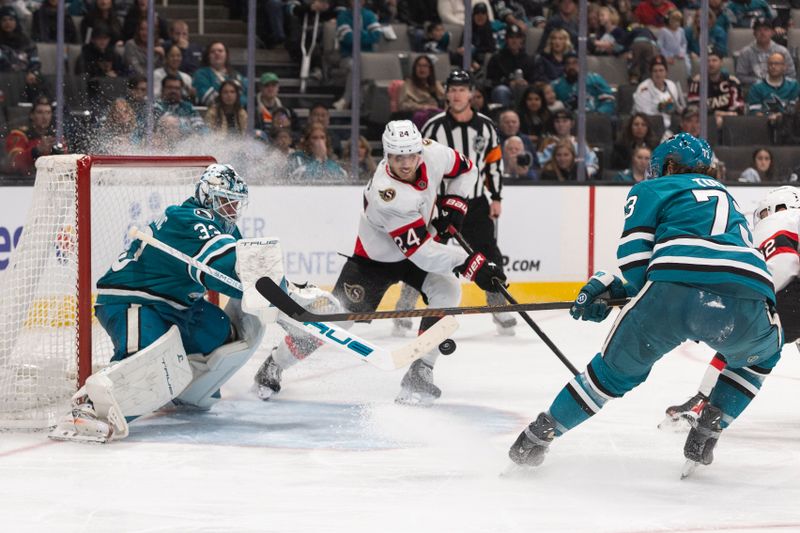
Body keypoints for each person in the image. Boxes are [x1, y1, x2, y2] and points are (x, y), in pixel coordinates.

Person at [508, 133, 782, 475]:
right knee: (761, 357)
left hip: (673, 289)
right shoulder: (728, 198)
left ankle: (538, 436)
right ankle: (711, 424)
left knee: (608, 376)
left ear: (667, 166)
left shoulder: (651, 189)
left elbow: (638, 269)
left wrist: (612, 291)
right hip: (749, 293)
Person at [254, 120, 504, 405]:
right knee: (334, 322)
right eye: (398, 157)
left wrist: (455, 205)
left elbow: (468, 169)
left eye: (411, 154)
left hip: (416, 249)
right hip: (375, 260)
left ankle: (421, 370)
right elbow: (422, 254)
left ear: (419, 149)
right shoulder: (388, 194)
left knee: (448, 292)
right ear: (387, 154)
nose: (407, 163)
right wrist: (472, 264)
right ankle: (275, 362)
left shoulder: (432, 153)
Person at [48, 165, 262, 443]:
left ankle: (183, 387)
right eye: (226, 201)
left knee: (220, 333)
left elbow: (241, 270)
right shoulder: (188, 218)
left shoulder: (223, 227)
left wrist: (277, 287)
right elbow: (223, 272)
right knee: (150, 364)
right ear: (208, 197)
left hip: (178, 306)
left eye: (236, 203)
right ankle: (89, 409)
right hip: (133, 300)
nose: (232, 209)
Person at [661, 185, 800, 428]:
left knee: (746, 337)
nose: (765, 219)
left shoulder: (782, 220)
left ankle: (702, 403)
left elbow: (779, 270)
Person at [396, 70, 514, 336]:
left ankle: (498, 306)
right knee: (425, 253)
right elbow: (419, 165)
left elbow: (493, 165)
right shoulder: (433, 127)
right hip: (440, 206)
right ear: (446, 93)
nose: (457, 94)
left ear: (471, 93)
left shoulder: (485, 126)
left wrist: (496, 197)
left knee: (490, 255)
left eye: (462, 89)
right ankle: (405, 306)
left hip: (476, 204)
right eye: (452, 89)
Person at [332, 0, 382, 110]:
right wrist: (366, 34)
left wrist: (358, 33)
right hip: (348, 57)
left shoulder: (370, 15)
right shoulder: (342, 16)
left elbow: (377, 36)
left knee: (363, 67)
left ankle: (348, 101)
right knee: (355, 66)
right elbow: (348, 39)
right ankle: (352, 102)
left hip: (367, 58)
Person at [5, 95, 66, 175]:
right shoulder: (19, 135)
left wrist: (57, 152)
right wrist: (36, 151)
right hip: (22, 183)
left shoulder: (56, 137)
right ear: (32, 115)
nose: (45, 117)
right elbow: (14, 162)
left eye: (48, 112)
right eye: (40, 112)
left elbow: (64, 166)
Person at [687, 47, 744, 129]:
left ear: (721, 62)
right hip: (704, 122)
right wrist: (715, 115)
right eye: (708, 61)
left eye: (714, 60)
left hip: (730, 121)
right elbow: (693, 109)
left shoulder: (733, 82)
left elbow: (739, 109)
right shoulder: (697, 82)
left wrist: (721, 115)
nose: (711, 64)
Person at [0, 5, 45, 102]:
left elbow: (35, 62)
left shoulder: (27, 42)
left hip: (24, 78)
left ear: (16, 21)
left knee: (38, 78)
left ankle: (44, 106)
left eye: (11, 19)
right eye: (4, 20)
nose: (8, 23)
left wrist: (32, 72)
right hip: (3, 78)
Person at [537, 109, 599, 178]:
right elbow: (540, 162)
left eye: (565, 121)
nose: (561, 125)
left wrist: (586, 172)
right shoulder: (547, 142)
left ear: (572, 123)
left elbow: (592, 161)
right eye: (557, 122)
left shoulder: (579, 142)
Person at [487, 23, 537, 106]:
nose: (514, 41)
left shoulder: (529, 59)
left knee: (529, 92)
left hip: (523, 91)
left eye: (517, 37)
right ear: (506, 39)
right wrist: (508, 83)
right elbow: (490, 81)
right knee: (501, 90)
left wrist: (526, 83)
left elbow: (534, 79)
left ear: (522, 40)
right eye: (511, 37)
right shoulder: (497, 58)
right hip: (503, 89)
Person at [633, 55, 686, 131]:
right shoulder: (643, 88)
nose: (658, 74)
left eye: (661, 70)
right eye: (655, 71)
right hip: (649, 127)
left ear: (666, 72)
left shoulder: (672, 86)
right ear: (651, 73)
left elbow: (673, 109)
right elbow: (643, 116)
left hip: (670, 126)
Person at [735, 18, 795, 86]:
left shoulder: (782, 51)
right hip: (755, 89)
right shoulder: (745, 52)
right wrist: (762, 82)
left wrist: (776, 82)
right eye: (759, 30)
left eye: (766, 29)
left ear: (772, 33)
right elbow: (740, 76)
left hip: (779, 89)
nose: (762, 33)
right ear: (754, 33)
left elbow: (791, 75)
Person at [551, 52, 615, 115]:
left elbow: (609, 100)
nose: (571, 66)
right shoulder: (556, 85)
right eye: (568, 63)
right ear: (564, 66)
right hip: (568, 121)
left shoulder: (594, 79)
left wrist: (599, 113)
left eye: (575, 63)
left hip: (596, 117)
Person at [746, 52, 800, 120]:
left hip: (788, 124)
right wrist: (769, 116)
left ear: (784, 67)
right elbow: (754, 112)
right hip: (763, 124)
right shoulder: (756, 87)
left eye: (777, 64)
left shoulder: (793, 85)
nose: (773, 66)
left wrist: (781, 116)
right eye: (770, 64)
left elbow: (794, 109)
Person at [193, 40, 247, 107]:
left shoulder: (236, 75)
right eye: (213, 51)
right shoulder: (201, 74)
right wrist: (230, 104)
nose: (217, 53)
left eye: (220, 51)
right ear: (208, 56)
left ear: (226, 55)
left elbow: (245, 98)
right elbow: (207, 97)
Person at [398, 54, 444, 128]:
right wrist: (423, 107)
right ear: (415, 68)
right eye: (419, 66)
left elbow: (445, 99)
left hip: (436, 113)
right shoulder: (408, 84)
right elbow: (403, 105)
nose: (422, 69)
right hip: (417, 115)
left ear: (430, 69)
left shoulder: (435, 84)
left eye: (425, 66)